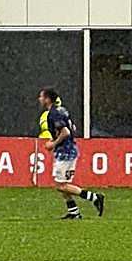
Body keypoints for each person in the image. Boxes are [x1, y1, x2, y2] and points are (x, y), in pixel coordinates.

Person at [38, 88, 105, 220]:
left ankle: (95, 197)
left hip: (65, 152)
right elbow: (72, 128)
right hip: (68, 148)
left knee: (61, 185)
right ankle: (74, 212)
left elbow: (65, 132)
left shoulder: (53, 114)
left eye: (41, 97)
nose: (39, 99)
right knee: (63, 184)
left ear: (47, 99)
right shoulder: (62, 110)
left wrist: (53, 143)